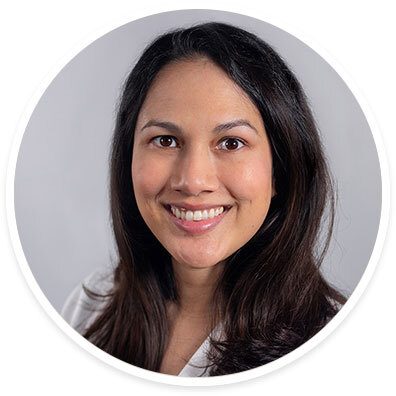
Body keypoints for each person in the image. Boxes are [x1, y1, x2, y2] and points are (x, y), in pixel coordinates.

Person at [61, 22, 346, 377]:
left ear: (281, 171)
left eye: (231, 143)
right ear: (127, 158)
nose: (193, 181)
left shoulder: (338, 349)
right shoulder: (90, 308)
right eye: (165, 140)